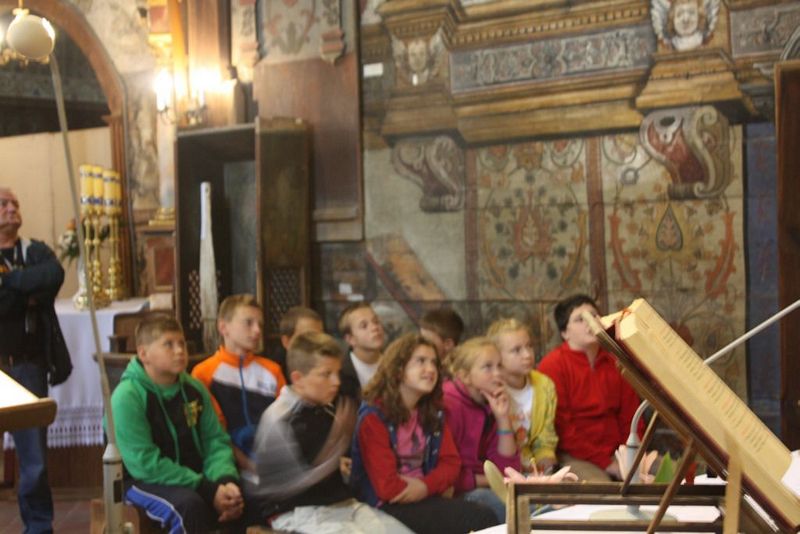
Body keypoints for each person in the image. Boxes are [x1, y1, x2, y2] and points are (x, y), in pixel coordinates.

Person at [249, 331, 411, 533]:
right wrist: (336, 442)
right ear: (298, 378)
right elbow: (291, 484)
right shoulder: (280, 418)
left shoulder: (324, 407)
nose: (336, 382)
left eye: (337, 373)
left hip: (340, 505)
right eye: (326, 374)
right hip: (296, 512)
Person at [351, 333, 498, 534]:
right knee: (481, 517)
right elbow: (387, 488)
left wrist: (424, 486)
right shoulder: (373, 417)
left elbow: (451, 465)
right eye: (421, 361)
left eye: (433, 363)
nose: (430, 369)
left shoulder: (432, 412)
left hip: (424, 495)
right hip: (384, 506)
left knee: (486, 510)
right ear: (398, 369)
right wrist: (433, 486)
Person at [111, 314, 244, 532]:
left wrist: (224, 480)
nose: (180, 350)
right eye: (168, 344)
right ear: (143, 354)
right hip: (137, 481)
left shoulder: (194, 389)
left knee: (239, 498)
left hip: (190, 478)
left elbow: (215, 441)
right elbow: (144, 464)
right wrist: (207, 488)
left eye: (182, 343)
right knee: (189, 506)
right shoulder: (127, 397)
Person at [0, 187, 70, 534]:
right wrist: (25, 293)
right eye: (3, 204)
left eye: (15, 202)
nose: (12, 208)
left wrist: (9, 281)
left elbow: (53, 275)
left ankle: (39, 528)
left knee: (34, 460)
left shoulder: (35, 250)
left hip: (28, 365)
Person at [537, 294, 642, 482]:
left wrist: (631, 455)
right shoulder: (552, 365)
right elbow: (564, 430)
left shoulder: (615, 360)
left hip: (619, 452)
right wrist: (608, 464)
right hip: (577, 456)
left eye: (594, 315)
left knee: (671, 475)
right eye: (580, 319)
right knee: (603, 490)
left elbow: (632, 416)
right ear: (565, 333)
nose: (590, 322)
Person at [192, 294, 286, 468]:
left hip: (271, 457)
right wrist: (245, 463)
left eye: (260, 324)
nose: (257, 330)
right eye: (248, 323)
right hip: (225, 461)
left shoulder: (272, 370)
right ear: (223, 327)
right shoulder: (203, 373)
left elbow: (283, 422)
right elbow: (214, 430)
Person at [443, 336, 520, 523]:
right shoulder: (448, 405)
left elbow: (508, 468)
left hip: (489, 482)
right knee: (513, 508)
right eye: (488, 367)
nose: (498, 373)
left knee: (542, 496)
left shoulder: (489, 400)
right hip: (460, 491)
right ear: (465, 376)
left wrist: (503, 418)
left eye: (499, 365)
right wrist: (493, 480)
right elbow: (447, 474)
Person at [487, 318, 558, 474]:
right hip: (502, 466)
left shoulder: (545, 385)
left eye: (529, 346)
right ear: (497, 356)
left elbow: (545, 438)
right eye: (516, 350)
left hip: (534, 465)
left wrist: (546, 465)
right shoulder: (492, 389)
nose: (527, 355)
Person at [338, 302, 386, 399]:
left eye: (376, 321)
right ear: (350, 339)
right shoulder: (340, 372)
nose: (375, 328)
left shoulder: (395, 363)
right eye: (364, 326)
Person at [272, 305, 324, 381]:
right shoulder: (271, 374)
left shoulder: (327, 365)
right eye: (306, 338)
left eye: (319, 338)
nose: (315, 344)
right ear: (286, 342)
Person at [419, 307, 464, 371]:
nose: (421, 344)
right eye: (421, 339)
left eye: (427, 341)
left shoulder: (455, 372)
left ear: (448, 344)